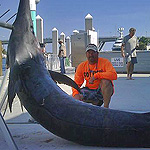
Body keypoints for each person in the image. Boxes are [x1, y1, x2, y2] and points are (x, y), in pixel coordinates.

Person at [72, 44, 117, 108]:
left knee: (105, 81)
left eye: (93, 52)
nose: (91, 55)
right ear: (86, 54)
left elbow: (114, 75)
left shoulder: (105, 62)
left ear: (97, 54)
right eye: (89, 53)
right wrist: (75, 94)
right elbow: (76, 83)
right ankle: (93, 104)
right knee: (78, 94)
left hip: (101, 91)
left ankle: (106, 108)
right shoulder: (81, 66)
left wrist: (96, 76)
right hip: (89, 90)